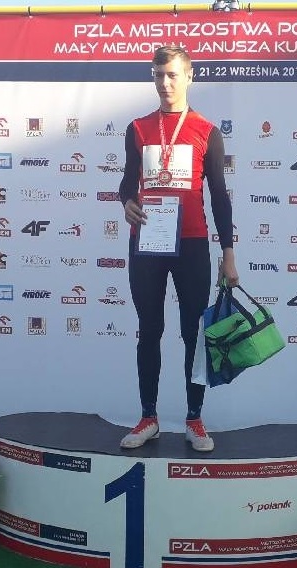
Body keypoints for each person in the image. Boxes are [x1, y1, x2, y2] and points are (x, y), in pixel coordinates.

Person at [118, 46, 238, 452]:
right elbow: (127, 181)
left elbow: (219, 197)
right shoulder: (138, 128)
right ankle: (148, 417)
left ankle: (194, 419)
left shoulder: (207, 131)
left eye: (172, 75)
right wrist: (127, 202)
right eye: (158, 75)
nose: (164, 83)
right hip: (148, 242)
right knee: (149, 330)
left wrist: (228, 254)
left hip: (191, 244)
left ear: (189, 76)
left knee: (193, 334)